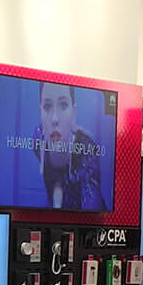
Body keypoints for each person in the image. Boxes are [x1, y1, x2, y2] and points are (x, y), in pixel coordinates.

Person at [32, 82, 104, 211]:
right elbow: (55, 180)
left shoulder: (86, 150)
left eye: (63, 105)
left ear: (73, 113)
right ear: (40, 113)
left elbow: (93, 208)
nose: (54, 119)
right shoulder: (38, 139)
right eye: (47, 106)